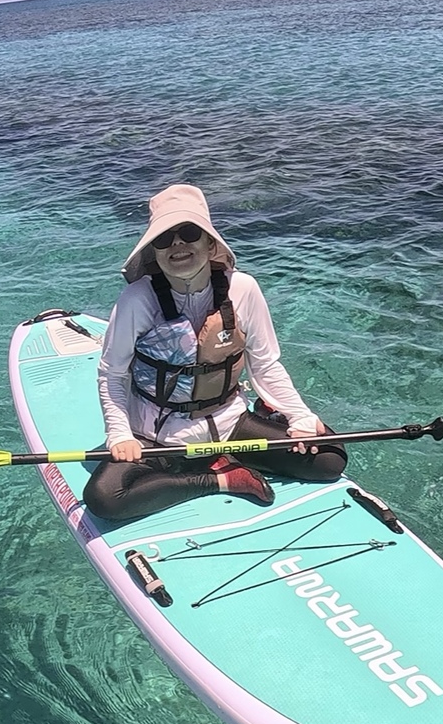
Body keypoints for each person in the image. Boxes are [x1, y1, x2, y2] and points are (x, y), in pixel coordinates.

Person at [82, 183, 346, 522]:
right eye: (164, 239)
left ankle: (269, 414)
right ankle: (219, 479)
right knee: (105, 498)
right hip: (158, 436)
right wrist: (120, 433)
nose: (177, 244)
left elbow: (265, 364)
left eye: (189, 233)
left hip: (230, 424)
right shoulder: (136, 300)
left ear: (210, 243)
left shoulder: (244, 289)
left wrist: (299, 416)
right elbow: (112, 374)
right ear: (154, 252)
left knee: (330, 457)